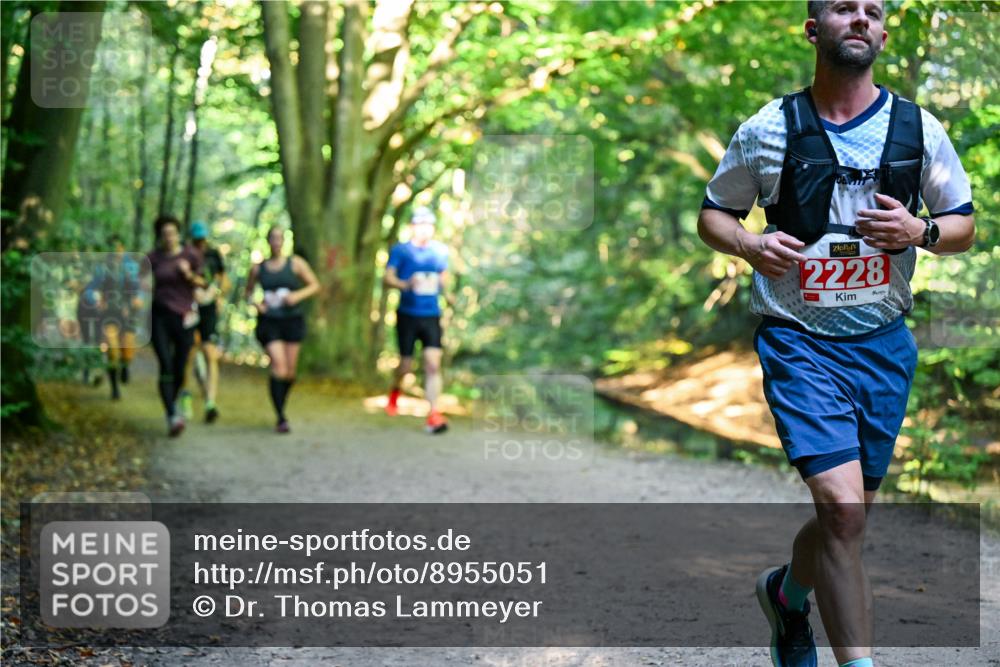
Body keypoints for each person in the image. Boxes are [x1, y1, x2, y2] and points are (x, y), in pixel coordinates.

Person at [696, 2, 975, 666]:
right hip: (799, 342)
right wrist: (749, 243)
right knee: (844, 514)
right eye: (843, 8)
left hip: (883, 343)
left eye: (871, 11)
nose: (860, 19)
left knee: (846, 518)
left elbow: (962, 224)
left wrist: (922, 232)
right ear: (813, 29)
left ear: (881, 33)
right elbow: (713, 214)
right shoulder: (768, 129)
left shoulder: (918, 128)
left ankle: (788, 596)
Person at [383, 206, 453, 434]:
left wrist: (449, 295)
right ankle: (395, 391)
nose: (425, 229)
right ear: (413, 226)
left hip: (431, 314)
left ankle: (434, 413)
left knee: (433, 364)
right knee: (405, 365)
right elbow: (388, 277)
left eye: (429, 225)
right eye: (421, 224)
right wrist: (405, 284)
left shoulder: (440, 252)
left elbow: (444, 278)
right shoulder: (401, 251)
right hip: (407, 315)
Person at [244, 226, 319, 433]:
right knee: (279, 367)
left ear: (284, 241)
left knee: (290, 372)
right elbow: (248, 293)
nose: (276, 242)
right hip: (269, 322)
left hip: (292, 320)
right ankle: (280, 417)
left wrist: (296, 296)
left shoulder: (296, 264)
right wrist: (257, 304)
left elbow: (314, 285)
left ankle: (281, 406)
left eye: (280, 238)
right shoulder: (258, 269)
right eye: (273, 238)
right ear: (268, 241)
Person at [145, 215, 205, 436]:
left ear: (178, 234)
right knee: (166, 365)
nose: (169, 238)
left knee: (180, 368)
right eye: (164, 234)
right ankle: (172, 415)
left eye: (172, 233)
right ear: (160, 236)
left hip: (185, 318)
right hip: (159, 316)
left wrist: (188, 274)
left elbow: (204, 282)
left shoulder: (191, 254)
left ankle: (175, 400)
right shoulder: (153, 257)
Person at [183, 220, 228, 423]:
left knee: (210, 353)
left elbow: (224, 280)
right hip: (188, 307)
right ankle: (185, 395)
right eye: (197, 239)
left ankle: (210, 402)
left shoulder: (213, 255)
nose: (200, 243)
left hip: (208, 308)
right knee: (190, 352)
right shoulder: (184, 255)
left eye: (202, 239)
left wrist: (217, 294)